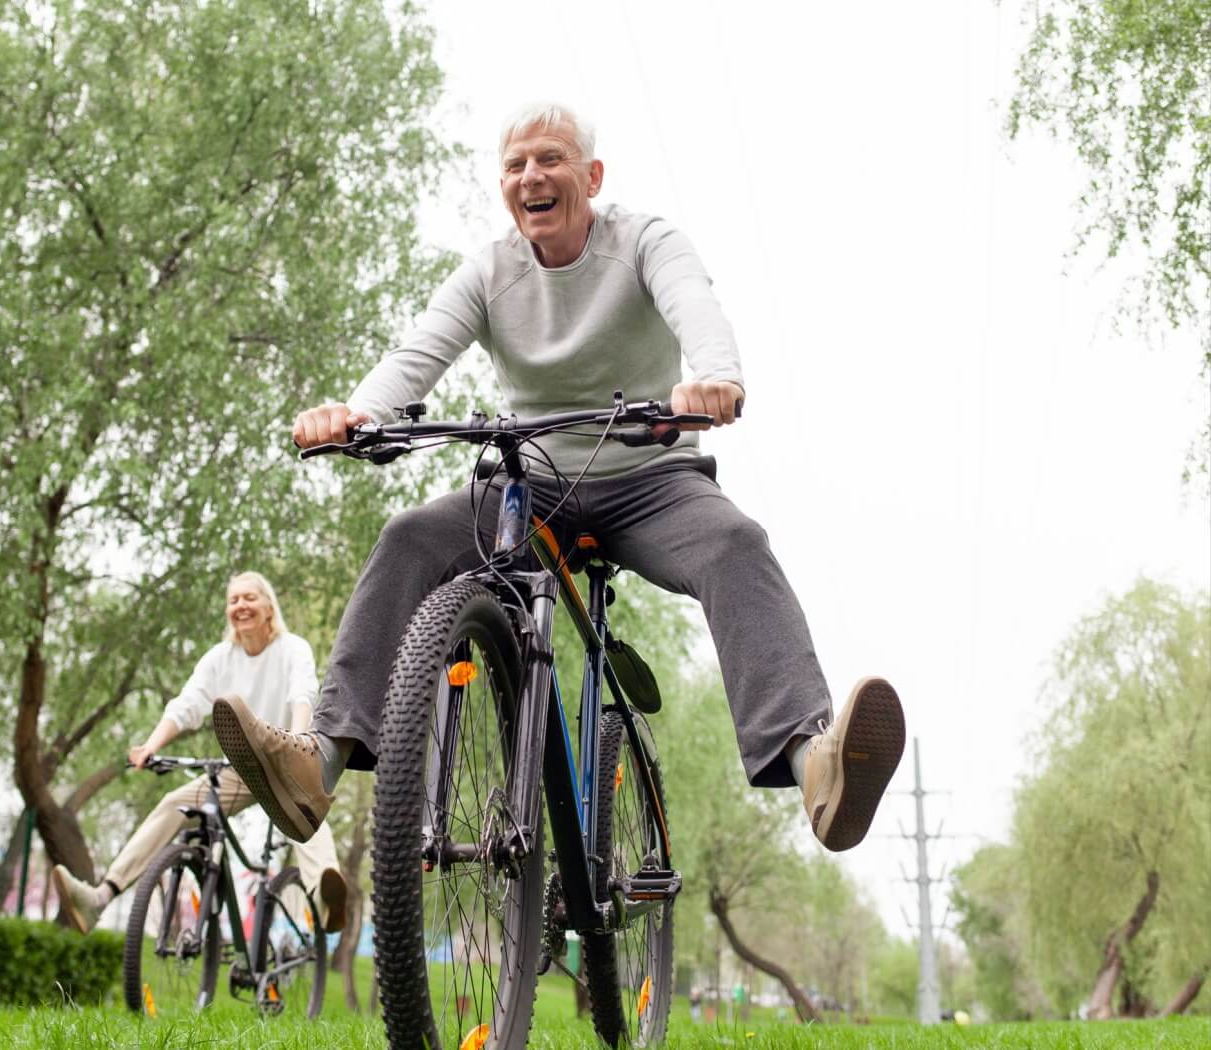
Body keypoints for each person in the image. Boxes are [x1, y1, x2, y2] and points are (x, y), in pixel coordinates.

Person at [212, 102, 905, 857]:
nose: (531, 177)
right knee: (410, 537)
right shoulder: (490, 272)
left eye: (550, 160)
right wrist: (357, 414)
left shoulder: (644, 242)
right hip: (529, 484)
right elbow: (417, 356)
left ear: (591, 176)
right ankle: (321, 760)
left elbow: (696, 309)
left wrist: (715, 380)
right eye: (515, 166)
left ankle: (817, 765)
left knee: (737, 543)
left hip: (651, 478)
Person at [52, 571, 347, 934]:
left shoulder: (293, 648)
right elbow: (187, 705)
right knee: (174, 804)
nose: (241, 605)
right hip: (241, 768)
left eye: (249, 598)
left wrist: (300, 744)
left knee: (307, 815)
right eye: (234, 600)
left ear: (269, 607)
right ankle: (98, 898)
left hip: (286, 761)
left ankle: (324, 898)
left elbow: (302, 695)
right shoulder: (220, 658)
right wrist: (151, 745)